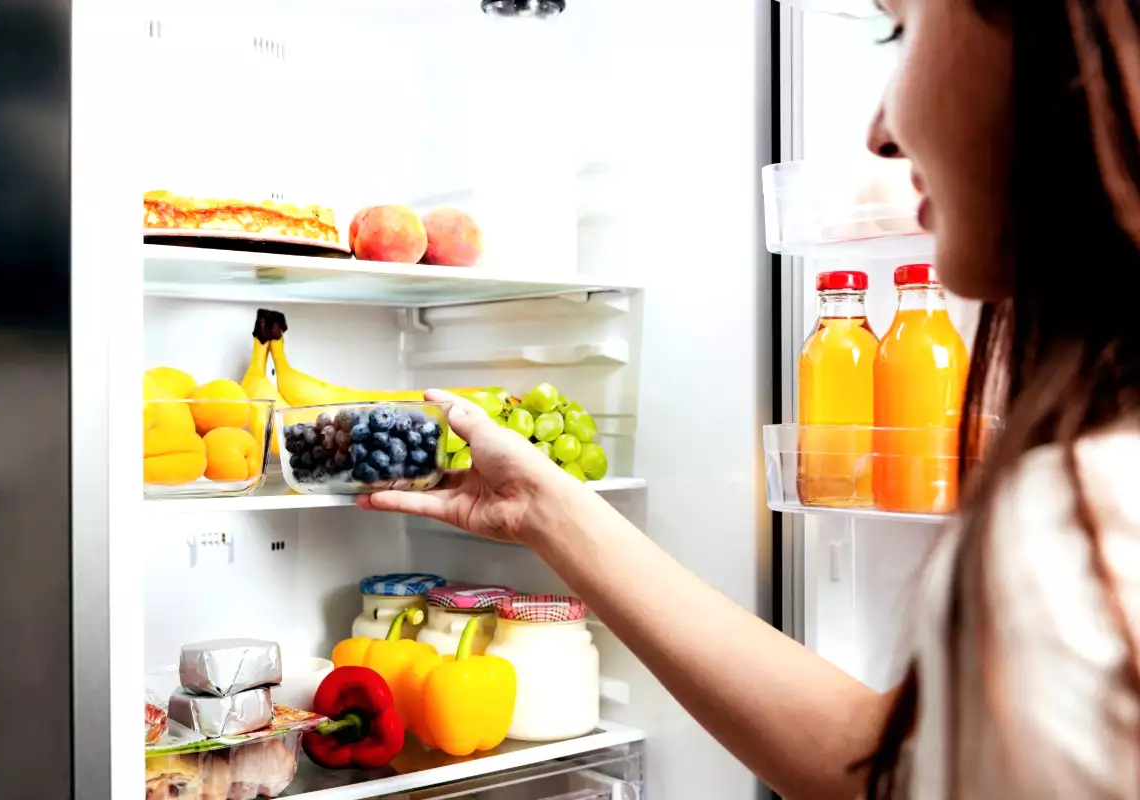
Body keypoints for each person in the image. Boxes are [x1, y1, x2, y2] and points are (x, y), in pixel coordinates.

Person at [360, 2, 1140, 797]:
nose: (879, 129)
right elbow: (888, 769)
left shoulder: (1082, 530)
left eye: (898, 32)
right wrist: (542, 508)